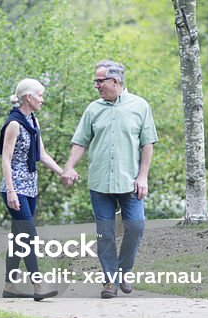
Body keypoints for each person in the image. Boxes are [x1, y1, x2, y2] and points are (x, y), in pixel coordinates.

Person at [61, 60, 157, 298]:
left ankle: (124, 270)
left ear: (115, 81)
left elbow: (147, 144)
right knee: (105, 234)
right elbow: (80, 141)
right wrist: (69, 166)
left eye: (99, 81)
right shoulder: (93, 109)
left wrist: (143, 176)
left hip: (130, 182)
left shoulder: (140, 106)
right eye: (96, 81)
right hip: (100, 182)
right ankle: (110, 281)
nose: (96, 86)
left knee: (135, 226)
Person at [0, 78, 66, 300]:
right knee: (29, 235)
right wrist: (10, 190)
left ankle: (10, 287)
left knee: (19, 237)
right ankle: (39, 286)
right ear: (28, 97)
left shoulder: (33, 121)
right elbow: (6, 160)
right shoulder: (14, 124)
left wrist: (62, 172)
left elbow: (42, 154)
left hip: (30, 187)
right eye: (40, 95)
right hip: (15, 188)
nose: (42, 100)